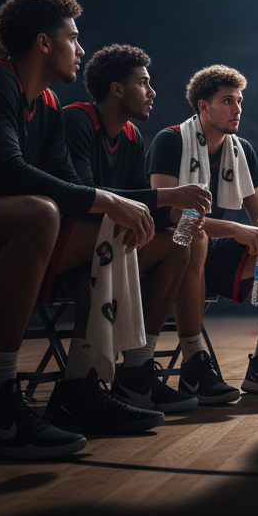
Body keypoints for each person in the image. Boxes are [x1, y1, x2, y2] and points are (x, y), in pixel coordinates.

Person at [0, 0, 207, 459]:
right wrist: (113, 199)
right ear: (43, 43)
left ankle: (79, 384)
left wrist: (116, 207)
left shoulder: (49, 107)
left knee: (108, 226)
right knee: (42, 211)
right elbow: (5, 173)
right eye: (73, 38)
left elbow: (76, 196)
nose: (81, 49)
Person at [149, 65, 258, 397]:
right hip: (167, 255)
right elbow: (166, 214)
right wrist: (236, 230)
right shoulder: (170, 140)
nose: (237, 109)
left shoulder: (241, 149)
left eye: (239, 101)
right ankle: (194, 365)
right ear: (203, 106)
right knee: (194, 238)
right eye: (227, 101)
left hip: (208, 253)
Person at [63, 43, 203, 414]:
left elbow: (139, 206)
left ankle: (136, 372)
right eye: (143, 82)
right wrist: (169, 194)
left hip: (102, 246)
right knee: (100, 255)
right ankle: (77, 386)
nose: (153, 92)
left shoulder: (130, 136)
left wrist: (179, 212)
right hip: (62, 247)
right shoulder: (76, 120)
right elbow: (83, 198)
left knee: (179, 243)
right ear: (117, 89)